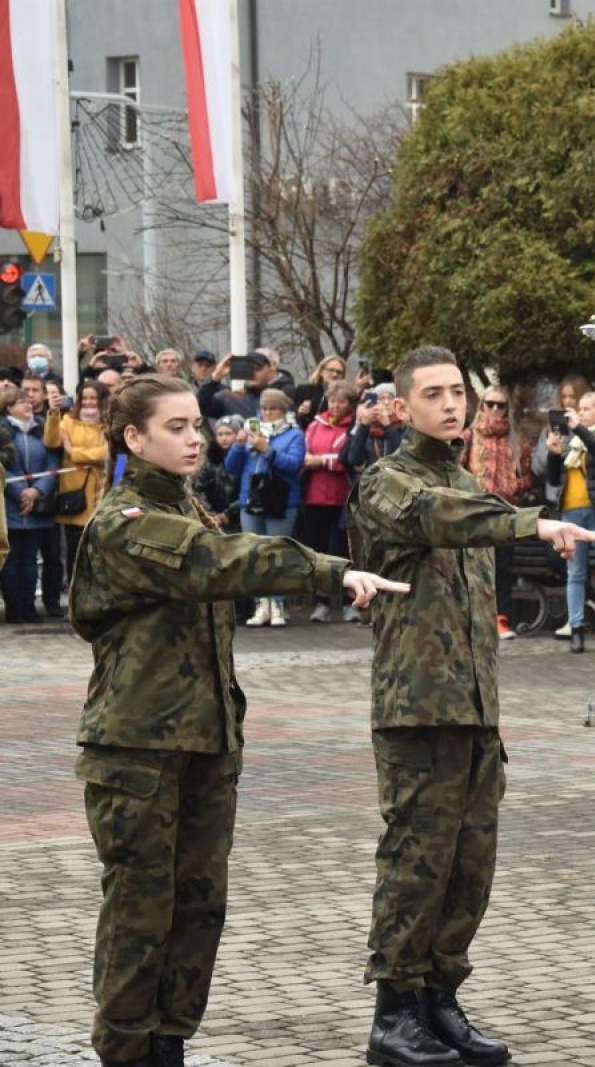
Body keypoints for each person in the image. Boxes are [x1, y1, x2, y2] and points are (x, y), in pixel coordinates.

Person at [68, 374, 406, 1067]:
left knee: (199, 907)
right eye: (176, 427)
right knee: (141, 911)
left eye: (197, 424)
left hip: (205, 741)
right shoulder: (125, 523)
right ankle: (128, 1051)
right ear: (134, 437)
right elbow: (220, 561)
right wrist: (326, 571)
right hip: (136, 751)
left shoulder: (186, 506)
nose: (195, 437)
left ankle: (170, 1040)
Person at [346, 345, 595, 1067]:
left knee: (469, 863)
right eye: (433, 394)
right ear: (403, 407)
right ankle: (393, 1011)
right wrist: (529, 523)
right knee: (415, 862)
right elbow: (438, 517)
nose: (451, 404)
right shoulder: (388, 483)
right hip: (416, 708)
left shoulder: (465, 480)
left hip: (474, 707)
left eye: (457, 391)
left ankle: (440, 998)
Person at [544, 390, 595, 654]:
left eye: (587, 409)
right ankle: (577, 629)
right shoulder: (574, 441)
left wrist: (579, 429)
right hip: (571, 511)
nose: (580, 413)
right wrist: (554, 454)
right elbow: (554, 479)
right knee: (575, 573)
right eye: (579, 409)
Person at [224, 389, 307, 627]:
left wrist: (268, 451)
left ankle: (278, 604)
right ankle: (261, 604)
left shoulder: (294, 435)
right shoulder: (252, 432)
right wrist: (239, 446)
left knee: (276, 553)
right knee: (254, 553)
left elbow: (293, 465)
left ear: (283, 411)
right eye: (265, 409)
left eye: (273, 409)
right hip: (250, 500)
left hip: (280, 501)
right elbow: (231, 468)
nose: (268, 413)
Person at [463, 384, 535, 641]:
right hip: (476, 511)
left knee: (503, 568)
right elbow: (457, 470)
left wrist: (515, 486)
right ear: (481, 405)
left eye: (500, 404)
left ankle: (501, 617)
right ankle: (474, 619)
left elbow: (527, 475)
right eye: (489, 403)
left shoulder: (518, 440)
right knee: (475, 567)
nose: (494, 409)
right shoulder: (469, 436)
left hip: (506, 511)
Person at [44, 380, 112, 587]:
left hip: (102, 497)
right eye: (86, 398)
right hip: (75, 498)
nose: (89, 402)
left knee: (100, 556)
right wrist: (54, 414)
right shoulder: (68, 421)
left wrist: (74, 452)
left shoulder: (109, 425)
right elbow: (52, 442)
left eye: (94, 398)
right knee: (74, 557)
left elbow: (107, 453)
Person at [302, 382, 359, 622]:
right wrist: (316, 461)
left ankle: (349, 602)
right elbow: (304, 456)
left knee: (342, 551)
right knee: (318, 551)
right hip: (314, 497)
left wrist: (322, 461)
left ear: (351, 405)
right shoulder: (316, 424)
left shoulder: (354, 427)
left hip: (342, 496)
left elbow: (348, 459)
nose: (336, 405)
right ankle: (321, 602)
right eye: (333, 400)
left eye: (342, 401)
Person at [2, 381, 58, 623]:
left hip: (37, 506)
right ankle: (13, 606)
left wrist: (37, 491)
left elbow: (53, 465)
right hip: (10, 505)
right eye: (21, 402)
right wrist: (20, 493)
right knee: (11, 559)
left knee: (31, 560)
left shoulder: (42, 429)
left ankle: (29, 605)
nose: (28, 404)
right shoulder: (3, 433)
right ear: (8, 408)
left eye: (29, 401)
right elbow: (4, 467)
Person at [295, 355, 348, 428]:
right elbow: (289, 417)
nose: (335, 374)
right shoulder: (303, 390)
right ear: (321, 372)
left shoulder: (345, 397)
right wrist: (299, 412)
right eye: (331, 370)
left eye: (339, 372)